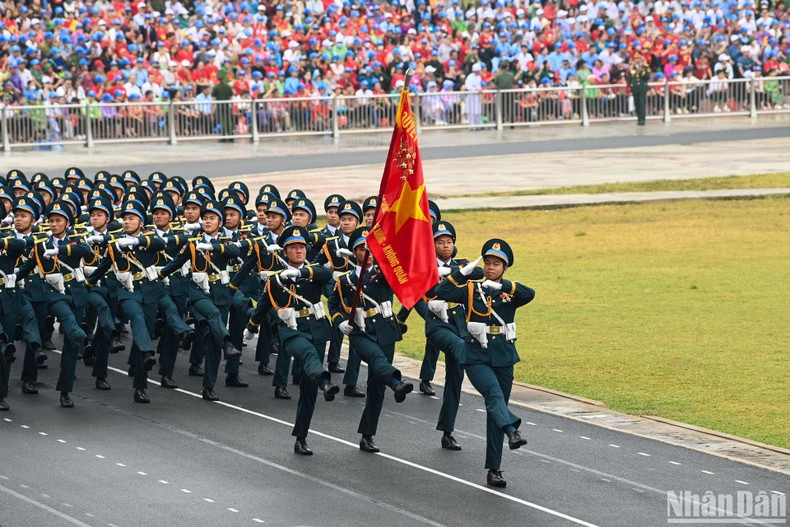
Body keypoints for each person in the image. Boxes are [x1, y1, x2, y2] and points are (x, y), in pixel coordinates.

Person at [435, 239, 535, 488]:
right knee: (492, 394)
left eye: (497, 264)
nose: (491, 267)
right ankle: (513, 431)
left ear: (505, 267)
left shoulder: (511, 292)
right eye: (488, 263)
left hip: (503, 355)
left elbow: (529, 294)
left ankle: (494, 469)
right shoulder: (471, 290)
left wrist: (503, 286)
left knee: (496, 410)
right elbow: (441, 292)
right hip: (476, 356)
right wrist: (461, 273)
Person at [244, 225, 339, 455]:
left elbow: (327, 273)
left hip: (316, 328)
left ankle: (301, 437)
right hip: (292, 331)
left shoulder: (313, 272)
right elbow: (263, 305)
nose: (299, 251)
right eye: (293, 248)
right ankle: (325, 381)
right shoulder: (275, 280)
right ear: (284, 252)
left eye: (302, 247)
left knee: (308, 389)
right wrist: (251, 327)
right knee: (307, 354)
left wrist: (301, 273)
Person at [328, 227, 414, 452]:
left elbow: (403, 275)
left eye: (370, 248)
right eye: (361, 248)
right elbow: (333, 304)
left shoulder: (384, 273)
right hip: (361, 333)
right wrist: (339, 321)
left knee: (376, 386)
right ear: (354, 252)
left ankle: (367, 435)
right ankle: (396, 382)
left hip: (386, 331)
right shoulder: (346, 280)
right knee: (376, 359)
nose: (367, 252)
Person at [628, 54, 651, 126]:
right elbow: (630, 78)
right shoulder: (632, 67)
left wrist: (641, 71)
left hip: (642, 87)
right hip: (635, 87)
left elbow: (647, 77)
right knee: (636, 103)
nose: (637, 60)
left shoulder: (645, 67)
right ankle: (638, 117)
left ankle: (642, 119)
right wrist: (630, 87)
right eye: (635, 58)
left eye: (638, 58)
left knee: (641, 102)